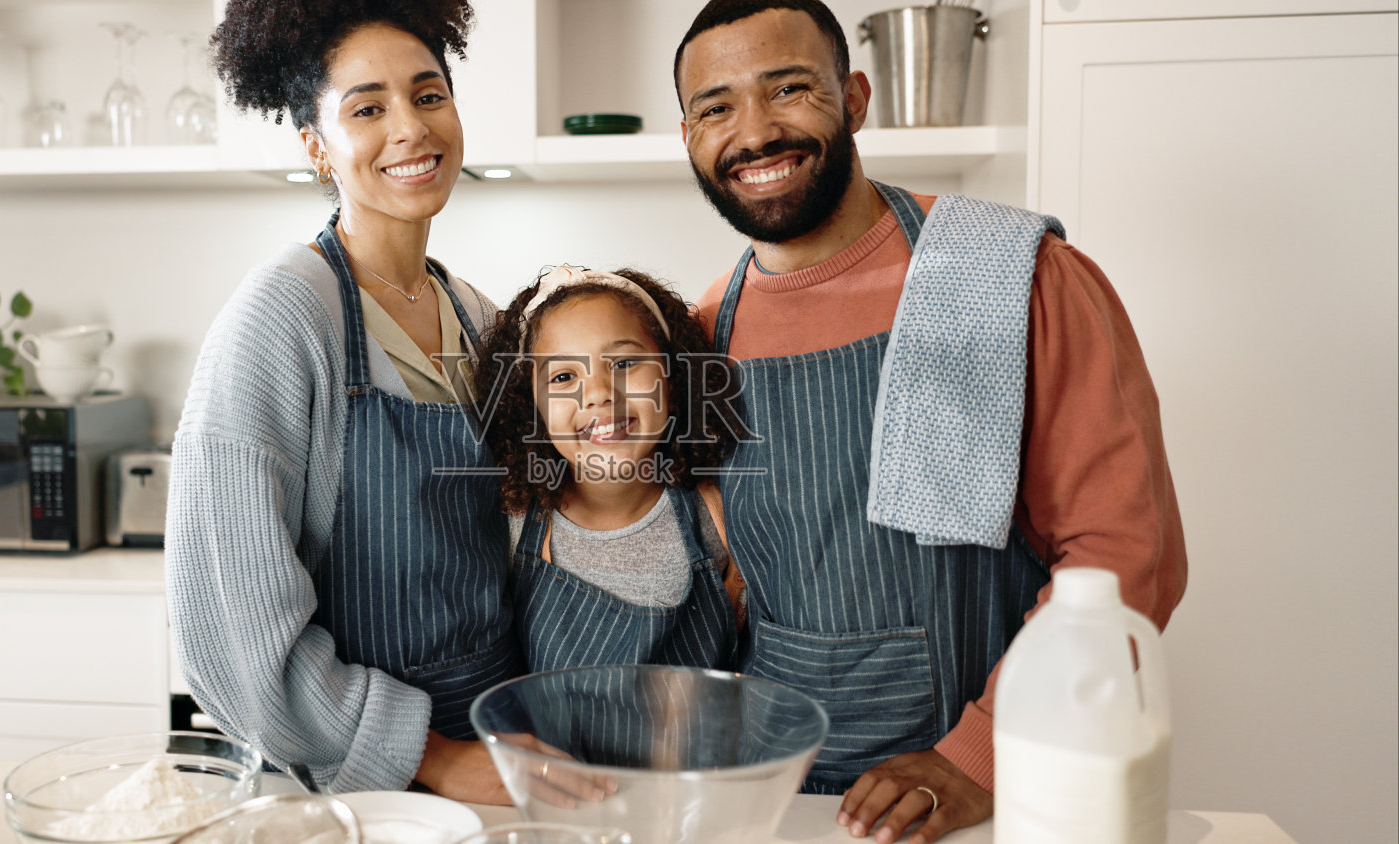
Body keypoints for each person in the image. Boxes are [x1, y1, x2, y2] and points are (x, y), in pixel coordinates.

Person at [673, 1, 1188, 842]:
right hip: (773, 800)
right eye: (716, 107)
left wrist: (979, 759)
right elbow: (721, 583)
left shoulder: (1016, 276)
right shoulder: (702, 334)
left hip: (983, 805)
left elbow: (1127, 552)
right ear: (688, 135)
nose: (756, 131)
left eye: (790, 88)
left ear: (857, 98)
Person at [166, 0, 522, 801]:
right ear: (317, 146)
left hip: (497, 747)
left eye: (429, 96)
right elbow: (234, 626)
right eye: (368, 108)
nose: (411, 128)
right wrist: (432, 758)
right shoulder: (285, 313)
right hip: (355, 780)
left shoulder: (478, 314)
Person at [471, 265, 747, 673]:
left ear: (672, 374)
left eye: (623, 363)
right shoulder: (511, 527)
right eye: (564, 376)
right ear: (531, 405)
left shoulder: (723, 517)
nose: (599, 394)